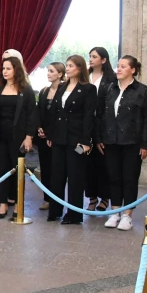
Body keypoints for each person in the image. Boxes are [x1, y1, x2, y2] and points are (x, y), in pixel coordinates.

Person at [96, 56, 147, 231]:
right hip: (111, 140)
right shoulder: (109, 89)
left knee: (130, 178)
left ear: (133, 70)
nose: (119, 69)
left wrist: (146, 144)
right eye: (118, 66)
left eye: (123, 66)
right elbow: (100, 115)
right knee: (113, 177)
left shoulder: (142, 91)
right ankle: (115, 212)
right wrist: (99, 138)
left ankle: (127, 215)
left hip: (132, 142)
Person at [45, 55, 97, 225]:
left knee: (75, 176)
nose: (67, 69)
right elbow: (55, 113)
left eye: (71, 66)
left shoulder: (88, 89)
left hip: (78, 140)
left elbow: (89, 116)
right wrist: (50, 135)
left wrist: (86, 141)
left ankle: (74, 214)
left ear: (80, 68)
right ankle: (55, 210)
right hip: (59, 138)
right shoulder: (62, 87)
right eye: (66, 65)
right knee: (57, 175)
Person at [0, 57, 37, 219]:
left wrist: (29, 136)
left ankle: (17, 203)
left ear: (16, 70)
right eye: (3, 68)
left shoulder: (26, 89)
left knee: (17, 169)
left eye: (8, 68)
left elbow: (31, 115)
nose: (4, 71)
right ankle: (3, 202)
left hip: (18, 136)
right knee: (2, 168)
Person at [86, 47, 116, 211]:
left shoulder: (111, 78)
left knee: (103, 164)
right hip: (85, 128)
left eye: (94, 56)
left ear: (103, 60)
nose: (91, 59)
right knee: (86, 164)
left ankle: (105, 197)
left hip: (103, 127)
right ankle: (91, 197)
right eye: (90, 56)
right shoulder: (85, 76)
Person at [35, 62, 66, 211]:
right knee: (45, 168)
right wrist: (39, 128)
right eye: (48, 70)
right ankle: (47, 198)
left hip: (57, 137)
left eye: (52, 71)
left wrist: (51, 133)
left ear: (60, 74)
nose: (48, 73)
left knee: (58, 170)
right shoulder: (44, 91)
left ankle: (57, 200)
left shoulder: (64, 90)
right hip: (43, 137)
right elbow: (39, 112)